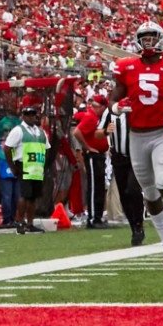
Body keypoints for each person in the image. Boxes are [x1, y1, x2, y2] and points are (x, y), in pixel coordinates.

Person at [108, 21, 163, 270]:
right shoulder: (125, 67)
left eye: (152, 37)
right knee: (148, 192)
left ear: (161, 39)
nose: (147, 41)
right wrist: (117, 108)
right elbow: (113, 98)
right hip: (137, 137)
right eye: (143, 37)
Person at [98, 98, 145, 245]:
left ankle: (139, 224)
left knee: (133, 190)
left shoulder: (136, 108)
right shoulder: (109, 111)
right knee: (124, 194)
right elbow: (98, 133)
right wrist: (106, 131)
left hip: (135, 156)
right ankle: (134, 228)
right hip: (118, 158)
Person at [4, 106, 50, 235]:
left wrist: (44, 166)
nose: (31, 117)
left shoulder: (41, 132)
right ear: (23, 116)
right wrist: (13, 166)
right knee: (24, 195)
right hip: (24, 165)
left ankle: (30, 223)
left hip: (37, 168)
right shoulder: (18, 130)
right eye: (28, 114)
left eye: (33, 114)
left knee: (33, 197)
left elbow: (46, 149)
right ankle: (19, 222)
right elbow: (7, 148)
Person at [72, 95, 109, 229]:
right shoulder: (91, 117)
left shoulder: (95, 117)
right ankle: (93, 218)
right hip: (92, 155)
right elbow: (77, 132)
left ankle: (97, 217)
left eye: (96, 106)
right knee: (94, 187)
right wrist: (87, 147)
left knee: (99, 187)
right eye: (94, 106)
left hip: (98, 154)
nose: (94, 108)